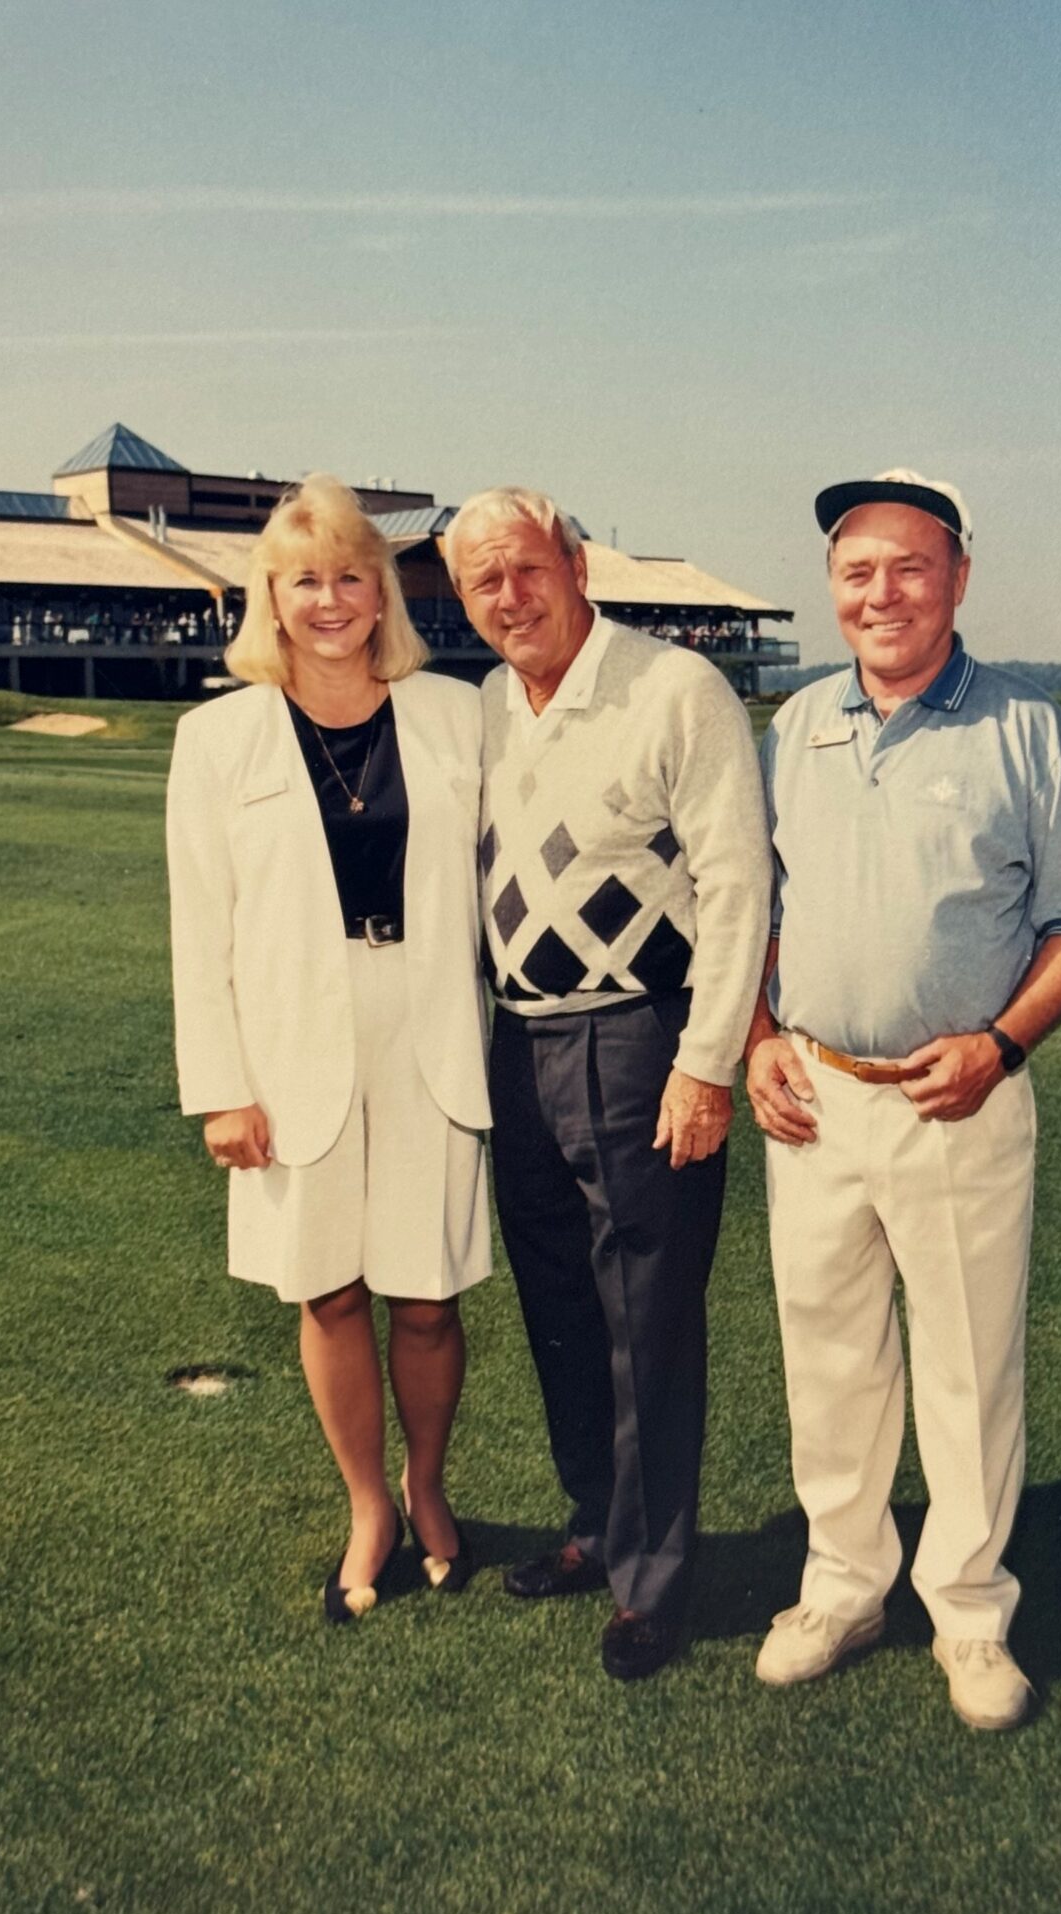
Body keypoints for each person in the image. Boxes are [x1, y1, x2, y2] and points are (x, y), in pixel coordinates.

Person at [746, 469, 1061, 1728]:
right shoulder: (797, 725)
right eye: (857, 571)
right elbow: (750, 908)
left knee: (967, 1368)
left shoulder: (1025, 727)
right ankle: (843, 1589)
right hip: (814, 1100)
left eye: (910, 567)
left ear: (960, 577)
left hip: (958, 1101)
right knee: (830, 1362)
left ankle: (968, 1613)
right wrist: (756, 1037)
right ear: (831, 588)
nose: (883, 593)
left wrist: (1000, 1047)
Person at [445, 486, 769, 1680]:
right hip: (520, 1042)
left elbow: (738, 882)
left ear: (578, 567)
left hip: (641, 1038)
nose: (510, 597)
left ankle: (653, 1583)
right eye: (483, 581)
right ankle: (597, 1523)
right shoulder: (486, 707)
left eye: (527, 568)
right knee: (562, 1308)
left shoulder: (676, 689)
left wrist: (707, 1063)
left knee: (648, 1317)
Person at [166, 474, 492, 1624]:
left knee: (428, 1295)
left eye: (352, 575)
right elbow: (200, 926)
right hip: (290, 1043)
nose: (330, 600)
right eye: (305, 580)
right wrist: (222, 1089)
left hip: (429, 1029)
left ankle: (427, 1484)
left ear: (383, 591)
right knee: (330, 1291)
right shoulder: (217, 738)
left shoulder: (455, 715)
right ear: (272, 595)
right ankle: (368, 1507)